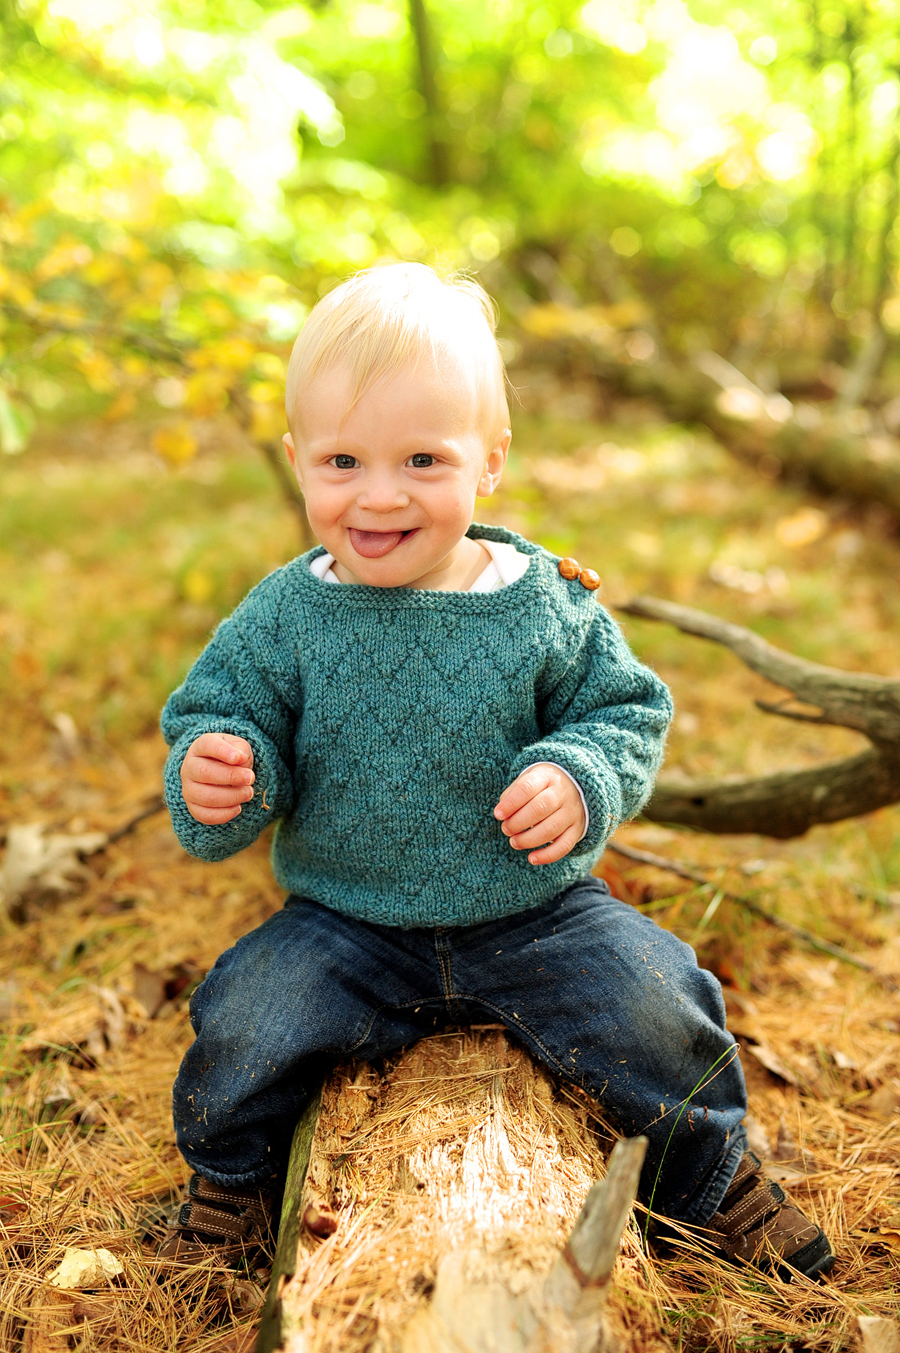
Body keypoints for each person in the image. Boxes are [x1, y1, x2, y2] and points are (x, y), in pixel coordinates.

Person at [158, 263, 833, 1280]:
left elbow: (627, 710)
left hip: (534, 914)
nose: (378, 496)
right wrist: (220, 769)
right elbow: (220, 715)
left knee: (659, 1004)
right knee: (247, 1014)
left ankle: (710, 1178)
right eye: (342, 461)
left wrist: (578, 775)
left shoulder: (541, 602)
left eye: (423, 459)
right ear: (297, 460)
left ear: (491, 463)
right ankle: (233, 1181)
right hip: (347, 920)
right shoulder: (284, 616)